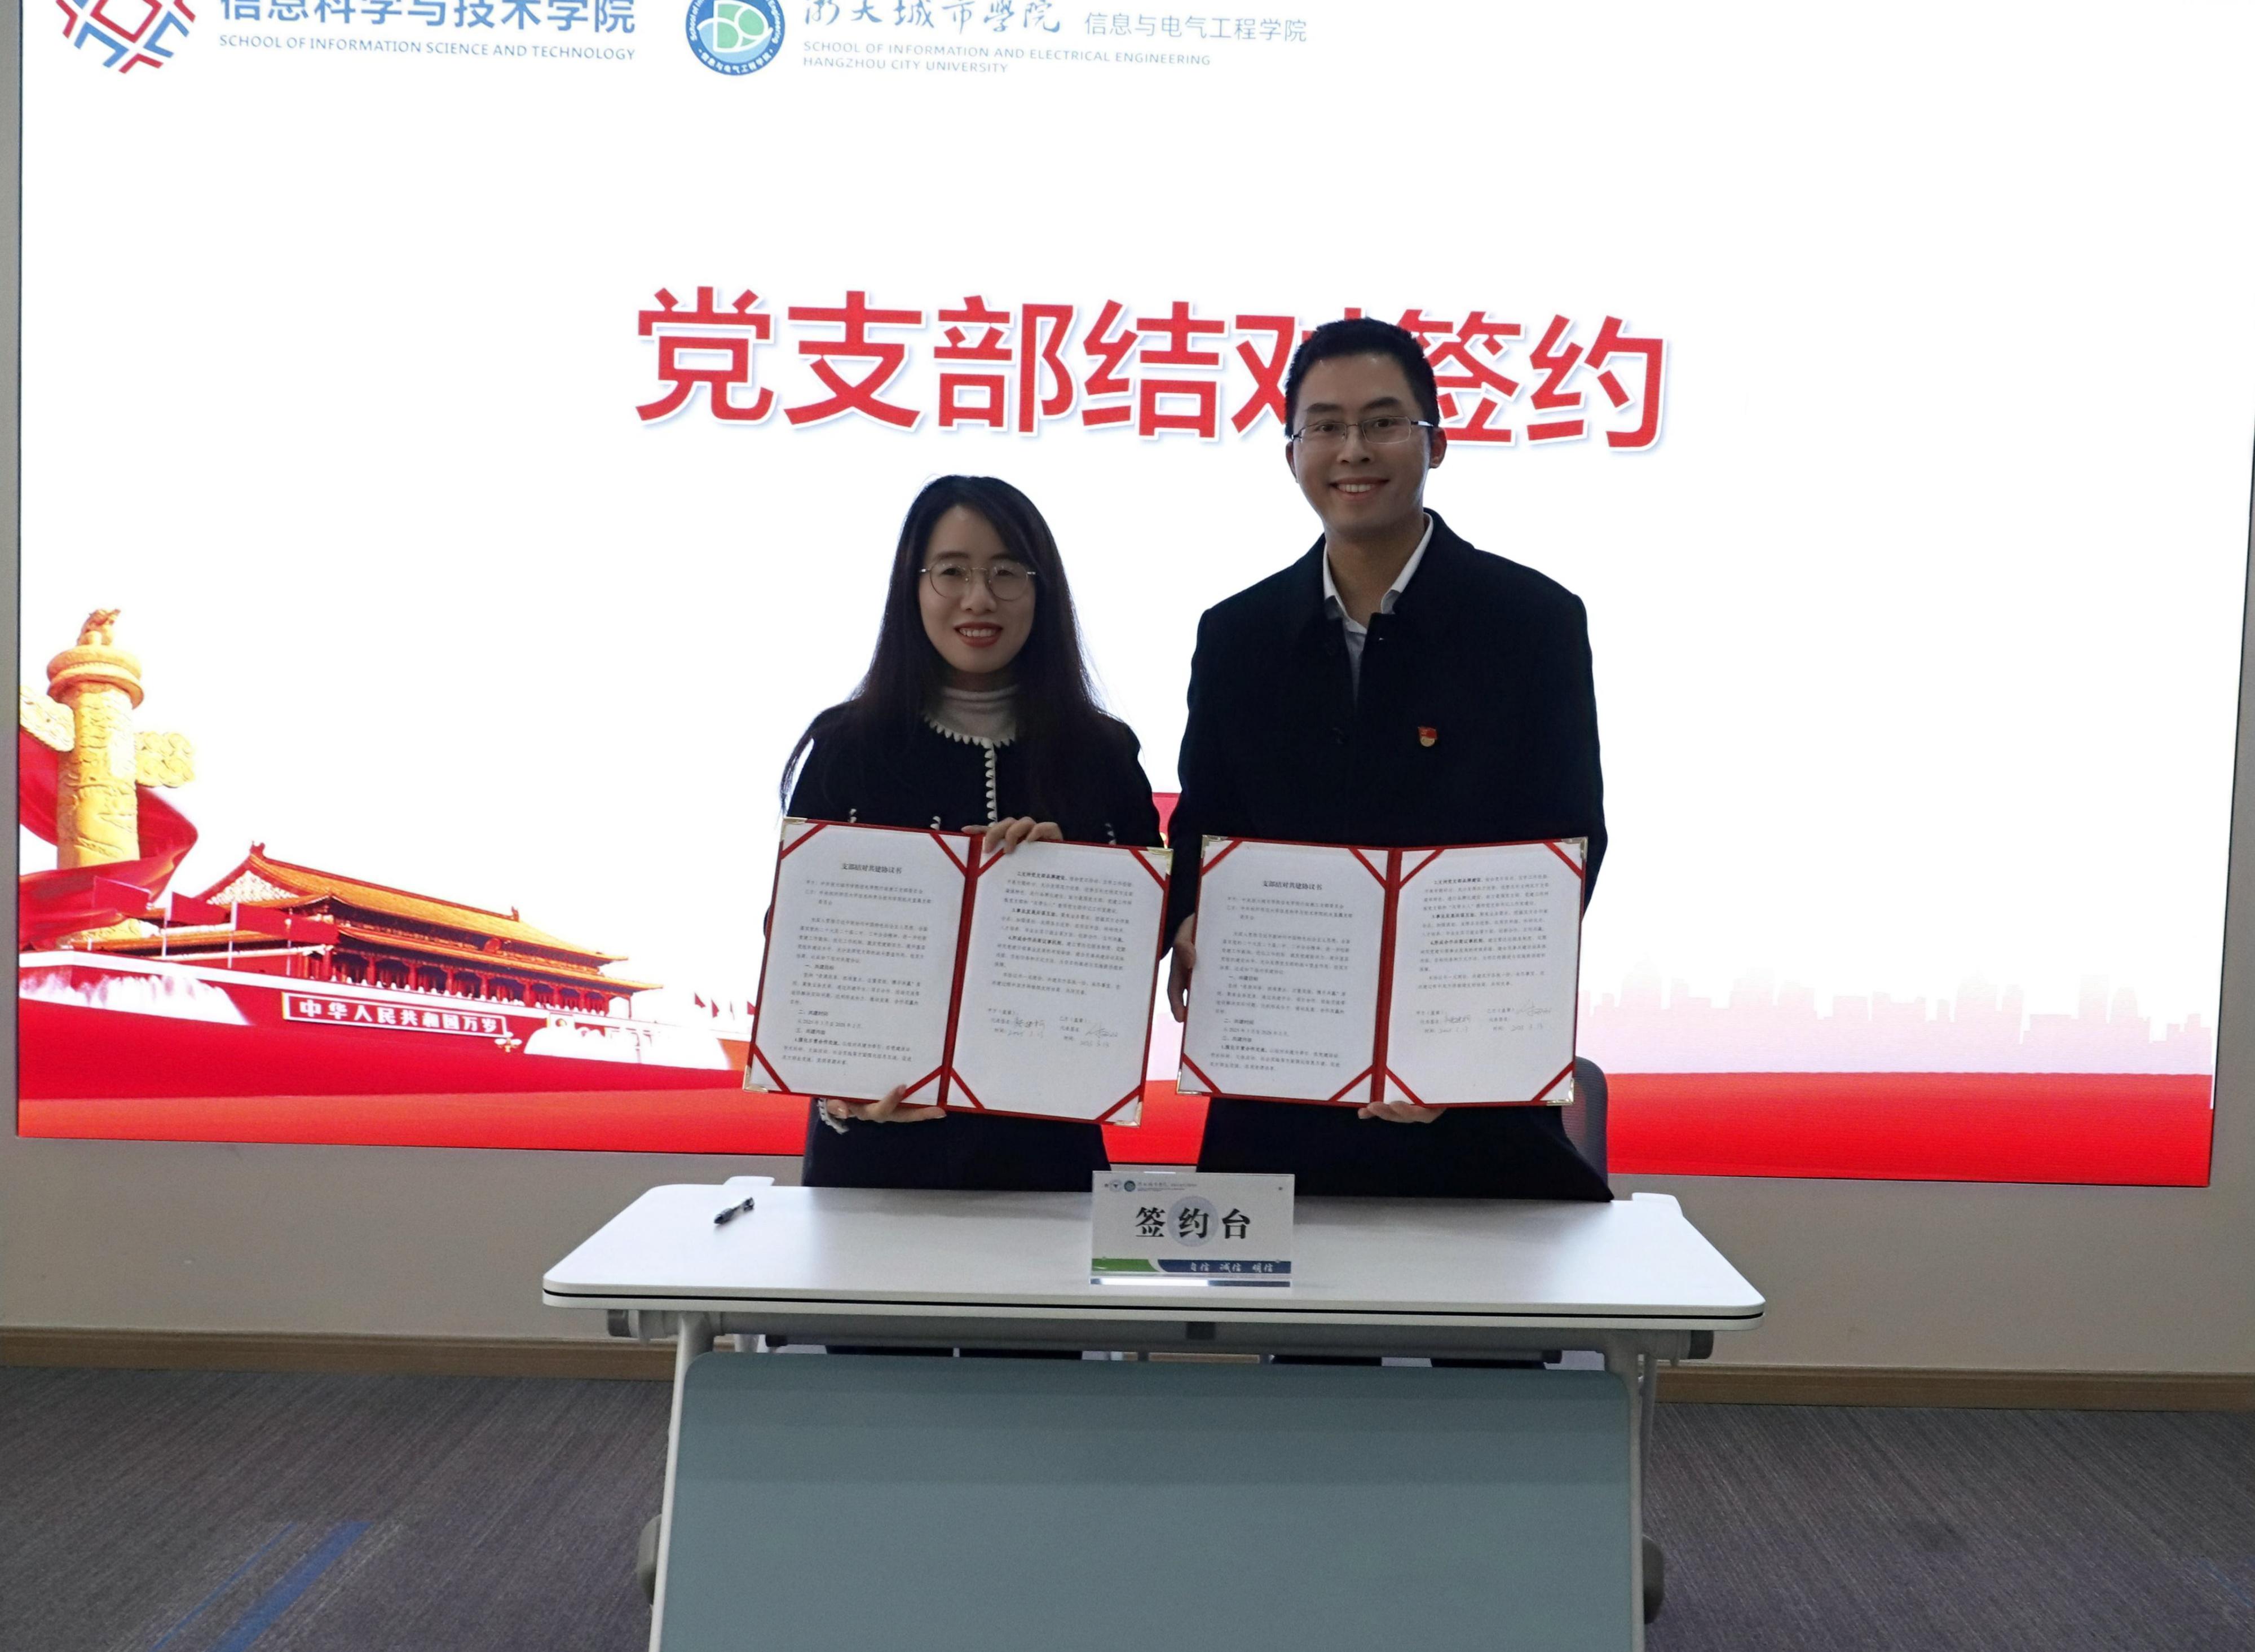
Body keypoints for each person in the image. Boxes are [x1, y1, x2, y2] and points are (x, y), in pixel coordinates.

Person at [1164, 317, 1612, 1201]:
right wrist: (1187, 914)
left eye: (1382, 422)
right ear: (1290, 454)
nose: (1352, 450)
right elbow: (1204, 825)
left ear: (1434, 443)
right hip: (1278, 1097)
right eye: (1324, 426)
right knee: (1283, 1294)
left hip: (1469, 1106)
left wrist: (1455, 1044)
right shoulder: (1237, 635)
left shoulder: (1530, 622)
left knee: (1482, 1289)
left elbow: (1565, 843)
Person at [781, 474, 1164, 1192]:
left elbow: (1147, 940)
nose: (979, 598)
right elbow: (802, 948)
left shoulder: (1103, 755)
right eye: (952, 571)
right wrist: (839, 1092)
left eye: (1006, 572)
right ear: (913, 586)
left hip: (1048, 1157)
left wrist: (1074, 892)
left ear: (1042, 590)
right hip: (874, 1160)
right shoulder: (846, 748)